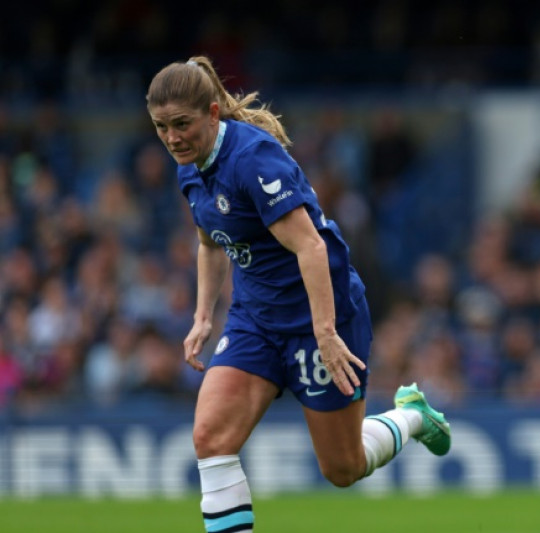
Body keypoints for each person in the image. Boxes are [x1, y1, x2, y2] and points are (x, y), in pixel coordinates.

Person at [145, 56, 451, 533]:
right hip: (256, 319)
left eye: (181, 124)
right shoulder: (190, 168)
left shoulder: (252, 159)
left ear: (212, 113)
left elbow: (311, 247)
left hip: (319, 316)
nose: (172, 138)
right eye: (161, 127)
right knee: (210, 438)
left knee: (343, 468)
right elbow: (210, 242)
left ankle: (411, 416)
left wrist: (325, 333)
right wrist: (203, 316)